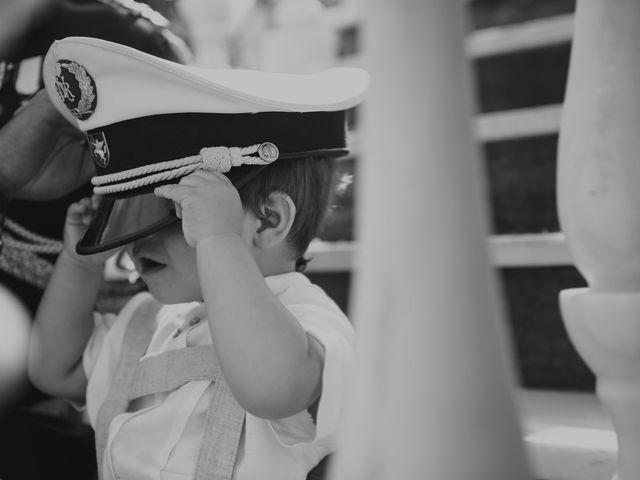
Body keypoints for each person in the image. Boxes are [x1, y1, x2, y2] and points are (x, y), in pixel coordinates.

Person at [28, 36, 368, 479]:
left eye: (171, 211)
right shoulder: (147, 322)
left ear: (266, 222)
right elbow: (56, 369)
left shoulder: (308, 324)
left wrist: (218, 242)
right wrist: (81, 262)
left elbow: (274, 386)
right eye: (129, 215)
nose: (132, 240)